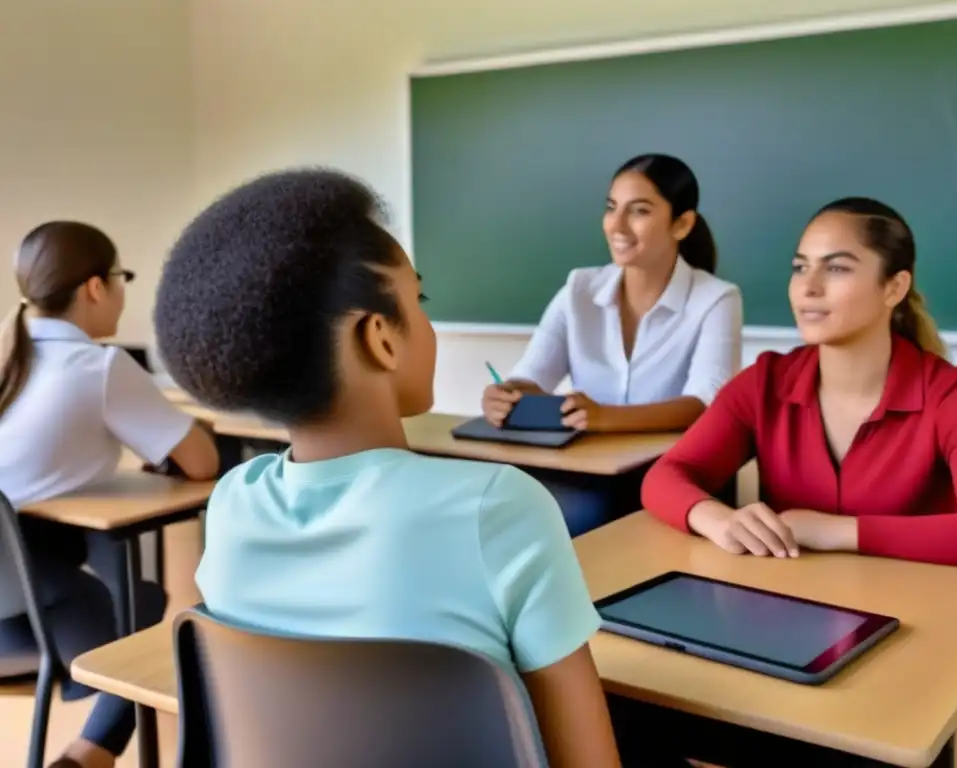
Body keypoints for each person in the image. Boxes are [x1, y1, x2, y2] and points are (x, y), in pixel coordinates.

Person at [153, 168, 622, 767]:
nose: (426, 322)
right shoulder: (496, 507)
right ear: (380, 337)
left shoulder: (232, 504)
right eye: (417, 300)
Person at [642, 197, 957, 572]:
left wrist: (832, 531)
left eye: (837, 269)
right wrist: (719, 520)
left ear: (895, 287)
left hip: (930, 617)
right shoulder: (764, 382)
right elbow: (665, 477)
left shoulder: (955, 393)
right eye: (799, 267)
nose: (808, 287)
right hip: (795, 610)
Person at [0, 221, 219, 768]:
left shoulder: (8, 359)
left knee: (108, 583)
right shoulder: (99, 365)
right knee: (148, 606)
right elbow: (203, 463)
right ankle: (91, 753)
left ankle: (89, 752)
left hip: (9, 602)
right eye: (121, 278)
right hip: (29, 601)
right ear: (95, 287)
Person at [481, 153, 743, 535]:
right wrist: (508, 395)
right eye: (611, 208)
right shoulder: (579, 288)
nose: (616, 225)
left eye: (639, 211)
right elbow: (532, 376)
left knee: (575, 519)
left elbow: (706, 403)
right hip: (586, 467)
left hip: (668, 475)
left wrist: (606, 417)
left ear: (682, 223)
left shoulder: (717, 298)